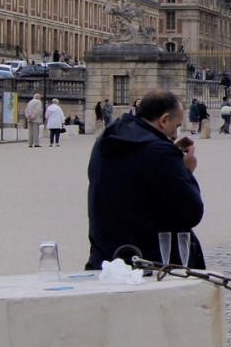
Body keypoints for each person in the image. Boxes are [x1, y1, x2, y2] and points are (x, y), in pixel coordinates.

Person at [84, 89, 205, 269]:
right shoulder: (159, 152)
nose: (174, 134)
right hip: (151, 260)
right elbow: (193, 212)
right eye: (176, 126)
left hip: (107, 256)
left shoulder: (106, 139)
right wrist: (186, 170)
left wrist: (171, 158)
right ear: (164, 120)